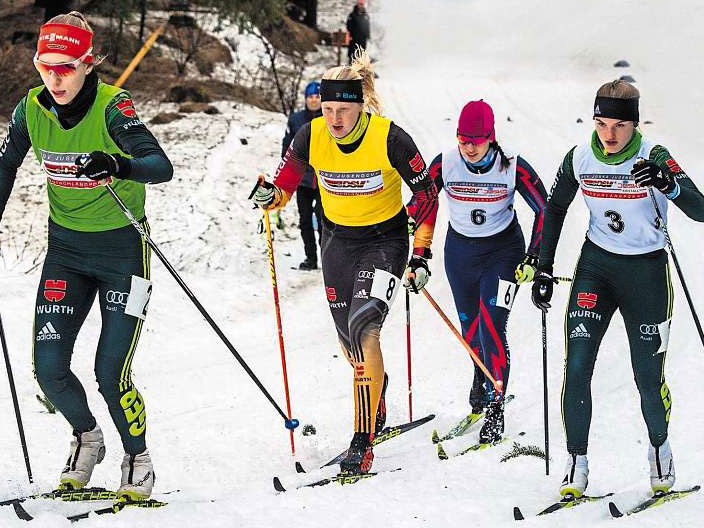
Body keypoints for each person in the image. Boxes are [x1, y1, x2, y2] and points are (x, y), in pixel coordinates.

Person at [0, 11, 173, 500]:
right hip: (66, 253)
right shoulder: (30, 109)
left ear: (87, 64)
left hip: (124, 253)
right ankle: (87, 438)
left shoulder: (113, 108)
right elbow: (6, 162)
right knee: (49, 368)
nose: (55, 78)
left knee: (109, 371)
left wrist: (116, 163)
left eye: (66, 67)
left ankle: (137, 456)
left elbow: (160, 166)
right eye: (46, 66)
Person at [252, 49, 439, 475]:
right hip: (335, 241)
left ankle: (362, 440)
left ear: (361, 106)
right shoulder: (311, 135)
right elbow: (283, 185)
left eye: (344, 109)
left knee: (363, 327)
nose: (335, 119)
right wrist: (271, 197)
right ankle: (378, 389)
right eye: (329, 108)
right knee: (348, 342)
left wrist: (417, 244)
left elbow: (427, 193)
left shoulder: (391, 138)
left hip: (384, 242)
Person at [532, 80, 704, 498]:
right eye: (601, 123)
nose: (608, 135)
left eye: (619, 126)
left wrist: (668, 183)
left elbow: (701, 210)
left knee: (648, 376)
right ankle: (576, 465)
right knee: (577, 365)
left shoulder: (654, 156)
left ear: (635, 124)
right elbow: (555, 209)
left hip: (646, 273)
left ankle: (660, 452)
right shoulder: (581, 157)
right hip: (597, 268)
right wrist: (544, 266)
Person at [412, 100, 547, 445]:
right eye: (463, 139)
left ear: (491, 137)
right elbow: (423, 204)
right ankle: (480, 377)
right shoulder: (446, 162)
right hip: (460, 255)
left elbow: (546, 210)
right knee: (470, 328)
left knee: (491, 325)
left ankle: (496, 404)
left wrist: (535, 258)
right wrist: (418, 254)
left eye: (476, 140)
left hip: (503, 253)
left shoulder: (512, 165)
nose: (469, 147)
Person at [282, 81, 323, 270]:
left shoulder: (330, 118)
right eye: (310, 97)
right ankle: (311, 258)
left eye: (317, 97)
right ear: (305, 99)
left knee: (324, 220)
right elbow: (287, 147)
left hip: (324, 180)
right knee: (305, 221)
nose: (314, 100)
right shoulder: (296, 120)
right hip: (303, 181)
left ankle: (328, 259)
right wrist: (288, 174)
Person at [346, 0, 370, 65]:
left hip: (362, 40)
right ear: (357, 4)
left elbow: (367, 26)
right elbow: (348, 26)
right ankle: (351, 68)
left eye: (362, 4)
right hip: (354, 39)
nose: (361, 6)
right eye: (360, 4)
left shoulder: (365, 16)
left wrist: (368, 35)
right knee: (353, 55)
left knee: (361, 55)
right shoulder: (352, 15)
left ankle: (360, 69)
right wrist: (351, 35)